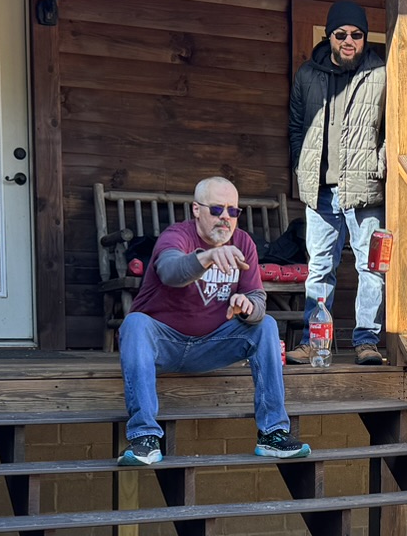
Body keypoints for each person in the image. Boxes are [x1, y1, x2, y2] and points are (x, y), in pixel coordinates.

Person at [117, 177, 309, 466]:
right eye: (217, 209)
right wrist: (208, 257)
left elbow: (258, 299)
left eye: (233, 211)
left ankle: (272, 434)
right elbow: (170, 271)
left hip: (213, 344)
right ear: (196, 210)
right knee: (134, 324)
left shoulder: (243, 242)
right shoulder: (176, 236)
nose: (225, 217)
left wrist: (247, 307)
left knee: (266, 325)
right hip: (163, 345)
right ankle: (144, 437)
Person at [287, 0, 388, 365]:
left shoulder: (381, 74)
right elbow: (296, 127)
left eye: (357, 35)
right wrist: (302, 166)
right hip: (321, 191)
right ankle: (315, 343)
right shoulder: (307, 75)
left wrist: (379, 164)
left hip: (365, 189)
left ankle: (366, 342)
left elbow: (394, 130)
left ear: (365, 38)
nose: (349, 41)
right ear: (329, 36)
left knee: (371, 269)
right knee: (319, 269)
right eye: (341, 34)